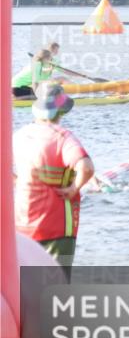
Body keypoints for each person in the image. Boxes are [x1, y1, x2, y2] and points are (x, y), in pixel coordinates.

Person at [13, 83, 95, 277]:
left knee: (26, 285)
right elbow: (87, 167)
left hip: (23, 222)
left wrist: (17, 180)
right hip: (57, 226)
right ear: (61, 111)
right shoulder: (63, 138)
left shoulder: (21, 135)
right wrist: (74, 188)